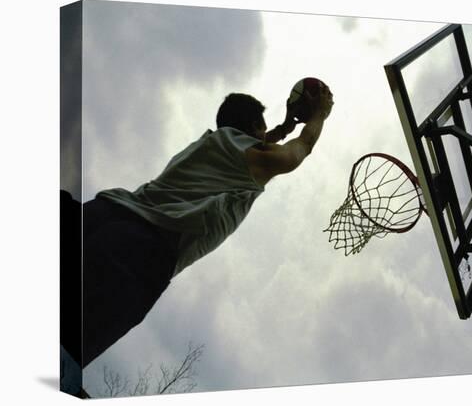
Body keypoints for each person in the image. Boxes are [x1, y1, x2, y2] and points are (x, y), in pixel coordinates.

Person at [77, 84, 333, 367]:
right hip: (139, 250)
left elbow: (258, 141)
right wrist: (318, 115)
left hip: (103, 212)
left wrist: (284, 127)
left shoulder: (213, 144)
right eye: (262, 130)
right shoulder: (251, 158)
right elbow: (298, 151)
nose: (266, 137)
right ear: (251, 127)